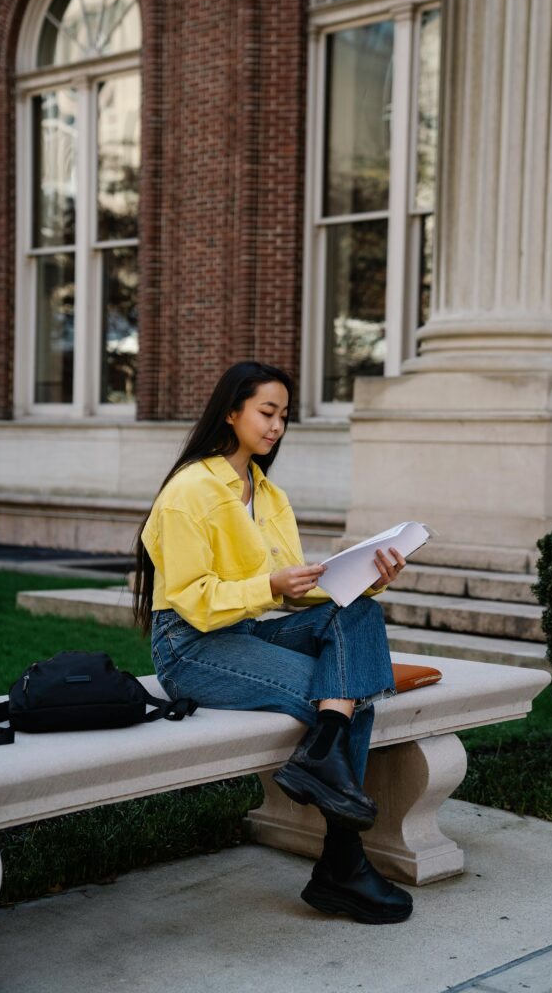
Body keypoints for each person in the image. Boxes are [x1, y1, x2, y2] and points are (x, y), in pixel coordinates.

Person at [133, 361, 413, 924]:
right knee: (348, 695)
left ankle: (324, 763)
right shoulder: (190, 490)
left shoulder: (268, 493)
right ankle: (342, 864)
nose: (277, 425)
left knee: (357, 613)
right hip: (192, 645)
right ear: (231, 411)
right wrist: (269, 585)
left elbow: (299, 592)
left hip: (253, 626)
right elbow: (191, 597)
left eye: (284, 415)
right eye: (267, 411)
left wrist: (369, 575)